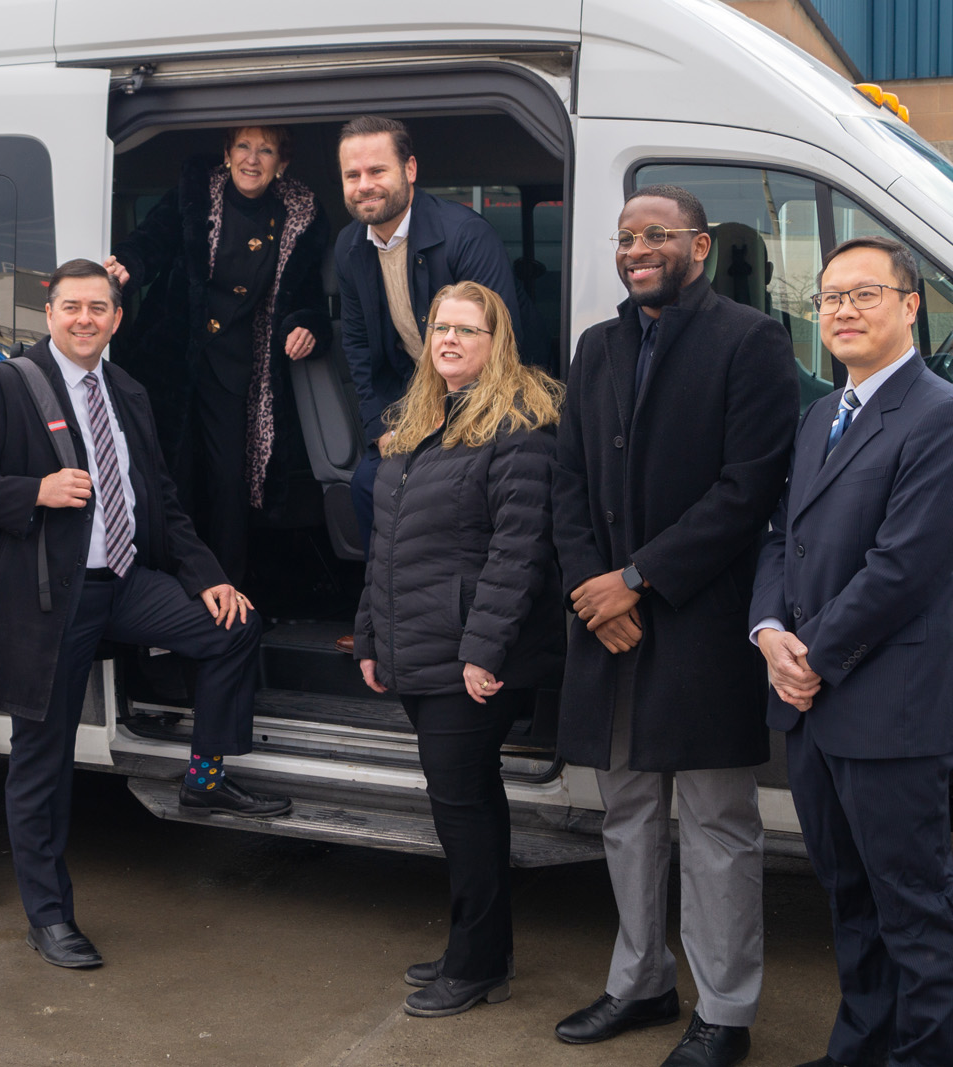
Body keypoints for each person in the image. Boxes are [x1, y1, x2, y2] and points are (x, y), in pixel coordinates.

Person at [0, 258, 290, 971]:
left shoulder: (125, 389)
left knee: (232, 627)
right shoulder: (6, 385)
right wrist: (35, 489)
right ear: (50, 313)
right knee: (43, 764)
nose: (85, 318)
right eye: (71, 307)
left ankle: (205, 777)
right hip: (45, 599)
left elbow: (160, 495)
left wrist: (208, 576)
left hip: (120, 580)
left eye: (99, 307)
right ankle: (51, 918)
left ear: (117, 318)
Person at [551, 186, 797, 1066]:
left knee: (716, 823)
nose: (636, 249)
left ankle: (725, 1010)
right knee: (626, 813)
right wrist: (592, 587)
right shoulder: (599, 346)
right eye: (625, 237)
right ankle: (640, 983)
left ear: (698, 244)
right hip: (607, 623)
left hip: (695, 623)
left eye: (655, 235)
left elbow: (748, 490)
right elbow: (569, 482)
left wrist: (638, 579)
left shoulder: (751, 339)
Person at [749, 236, 953, 1067]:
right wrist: (769, 633)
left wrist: (811, 653)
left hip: (888, 709)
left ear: (911, 303)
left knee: (914, 911)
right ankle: (858, 1049)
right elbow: (783, 537)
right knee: (850, 901)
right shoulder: (822, 412)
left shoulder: (944, 418)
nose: (843, 311)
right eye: (828, 298)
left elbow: (903, 567)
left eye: (864, 293)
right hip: (812, 708)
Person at [355, 281, 563, 1018]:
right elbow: (388, 548)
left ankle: (474, 967)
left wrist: (484, 651)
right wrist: (370, 635)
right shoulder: (421, 423)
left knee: (464, 811)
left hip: (470, 661)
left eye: (467, 330)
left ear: (495, 340)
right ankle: (481, 951)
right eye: (440, 327)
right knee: (466, 806)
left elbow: (520, 554)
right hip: (418, 647)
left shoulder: (518, 427)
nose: (449, 339)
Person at [104, 125, 331, 584]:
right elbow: (151, 240)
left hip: (237, 369)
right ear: (226, 154)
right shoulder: (193, 195)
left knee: (230, 486)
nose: (253, 158)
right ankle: (166, 591)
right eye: (243, 146)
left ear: (281, 164)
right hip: (170, 361)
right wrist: (127, 263)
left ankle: (228, 594)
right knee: (169, 479)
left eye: (266, 149)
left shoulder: (301, 216)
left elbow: (306, 298)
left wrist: (307, 325)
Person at [334, 116, 524, 655]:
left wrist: (463, 429)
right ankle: (386, 619)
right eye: (352, 175)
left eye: (377, 169)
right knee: (370, 483)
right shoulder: (350, 248)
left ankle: (461, 626)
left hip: (488, 401)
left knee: (458, 494)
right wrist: (380, 431)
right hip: (418, 402)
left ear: (410, 170)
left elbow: (504, 344)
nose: (364, 184)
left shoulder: (465, 234)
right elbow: (357, 351)